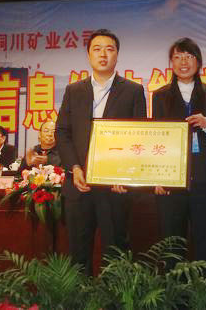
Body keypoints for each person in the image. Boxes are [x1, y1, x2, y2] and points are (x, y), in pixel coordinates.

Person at [56, 28, 146, 276]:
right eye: (97, 49)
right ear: (89, 55)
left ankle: (115, 295)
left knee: (116, 251)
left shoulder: (133, 90)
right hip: (79, 184)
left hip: (114, 188)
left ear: (117, 55)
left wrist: (124, 173)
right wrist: (74, 168)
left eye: (109, 49)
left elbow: (139, 136)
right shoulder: (74, 90)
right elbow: (62, 132)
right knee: (78, 253)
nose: (103, 54)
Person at [153, 37, 206, 263]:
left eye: (188, 56)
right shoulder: (160, 95)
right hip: (170, 180)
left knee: (205, 240)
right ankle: (173, 285)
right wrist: (157, 177)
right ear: (171, 63)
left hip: (204, 179)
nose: (183, 62)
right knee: (171, 243)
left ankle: (204, 286)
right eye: (177, 57)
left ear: (198, 62)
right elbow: (155, 138)